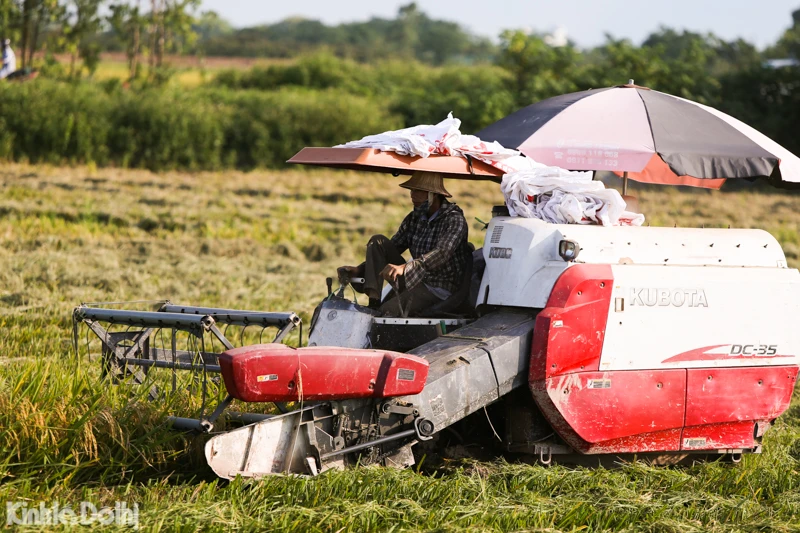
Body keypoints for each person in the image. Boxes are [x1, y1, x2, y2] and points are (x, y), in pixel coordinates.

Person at [338, 171, 470, 317]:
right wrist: (360, 269)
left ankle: (380, 314)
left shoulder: (454, 219)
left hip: (438, 287)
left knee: (387, 311)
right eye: (412, 190)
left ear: (434, 194)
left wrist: (405, 268)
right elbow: (394, 246)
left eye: (419, 191)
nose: (413, 195)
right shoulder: (414, 218)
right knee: (378, 241)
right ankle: (373, 301)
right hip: (415, 277)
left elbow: (442, 253)